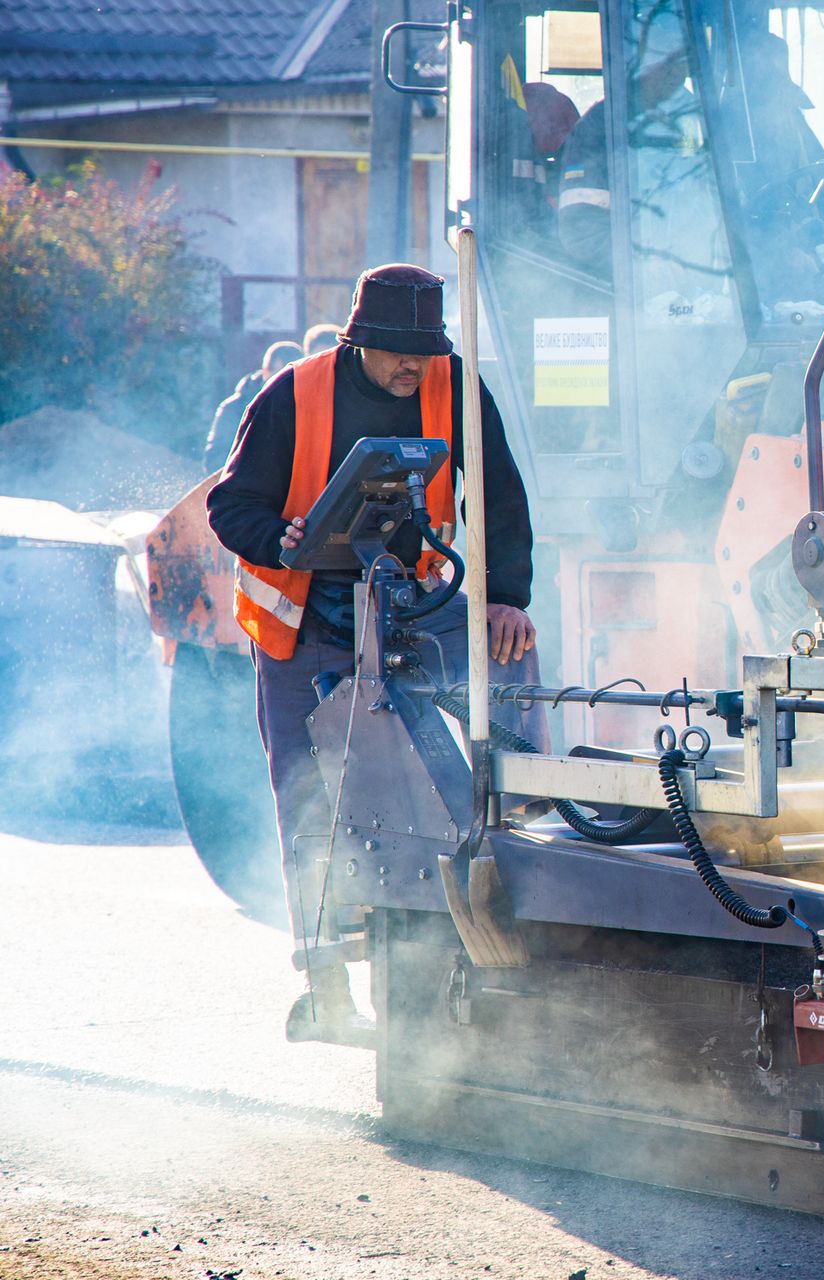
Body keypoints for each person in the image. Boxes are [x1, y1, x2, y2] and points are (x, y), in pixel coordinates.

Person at [207, 264, 548, 1043]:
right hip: (302, 623)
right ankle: (326, 991)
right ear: (360, 340)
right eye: (399, 352)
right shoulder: (294, 394)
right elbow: (231, 505)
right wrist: (281, 539)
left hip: (407, 603)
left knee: (508, 651)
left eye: (424, 352)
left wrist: (507, 597)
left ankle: (525, 804)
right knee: (308, 798)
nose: (413, 367)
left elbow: (498, 492)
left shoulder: (452, 385)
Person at [203, 339, 303, 473]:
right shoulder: (234, 409)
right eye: (280, 377)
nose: (285, 385)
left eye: (292, 378)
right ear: (266, 372)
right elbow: (215, 460)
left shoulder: (306, 409)